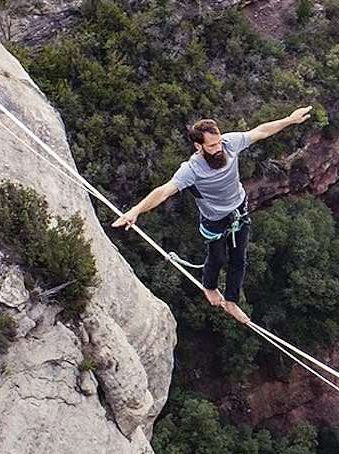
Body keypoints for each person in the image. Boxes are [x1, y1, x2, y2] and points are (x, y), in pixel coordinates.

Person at [111, 107, 314, 323]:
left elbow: (261, 131)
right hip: (214, 220)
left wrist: (290, 119)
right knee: (217, 258)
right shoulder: (191, 169)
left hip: (239, 210)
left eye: (218, 142)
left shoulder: (229, 143)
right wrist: (136, 210)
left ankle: (232, 302)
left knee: (239, 259)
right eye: (212, 146)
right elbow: (163, 191)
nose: (218, 148)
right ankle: (209, 287)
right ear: (198, 146)